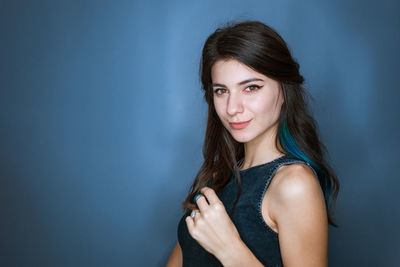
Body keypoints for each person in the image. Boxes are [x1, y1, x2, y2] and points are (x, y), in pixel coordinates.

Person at [166, 20, 339, 267]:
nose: (232, 108)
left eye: (251, 87)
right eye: (221, 91)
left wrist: (229, 249)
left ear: (284, 89)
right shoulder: (218, 176)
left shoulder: (294, 184)